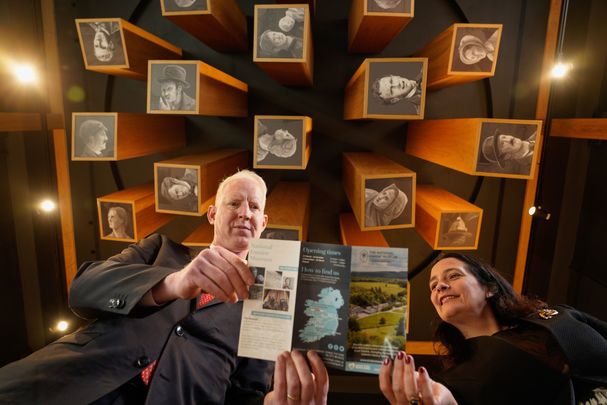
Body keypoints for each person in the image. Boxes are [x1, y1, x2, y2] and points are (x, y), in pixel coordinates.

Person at [0, 169, 330, 405]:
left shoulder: (268, 306)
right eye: (234, 203)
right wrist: (173, 283)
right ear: (213, 214)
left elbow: (248, 392)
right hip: (64, 385)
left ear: (263, 224)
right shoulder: (160, 250)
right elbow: (84, 286)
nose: (245, 213)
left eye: (254, 207)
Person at [379, 252, 607, 405]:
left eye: (454, 275)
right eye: (433, 285)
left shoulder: (558, 316)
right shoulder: (452, 383)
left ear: (489, 288)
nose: (440, 286)